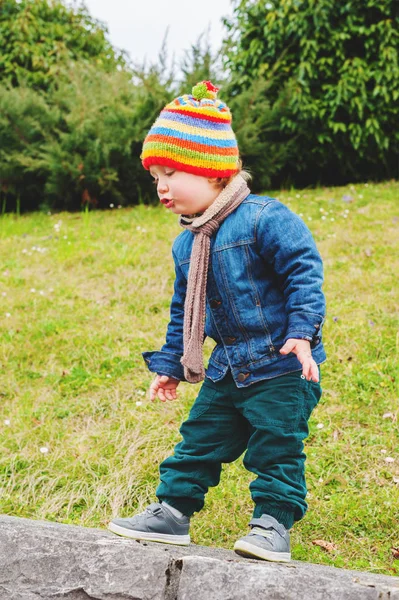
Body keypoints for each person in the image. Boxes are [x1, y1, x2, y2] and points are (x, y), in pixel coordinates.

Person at [108, 81, 326, 563]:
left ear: (212, 172)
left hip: (283, 368)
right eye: (155, 176)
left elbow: (304, 273)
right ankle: (172, 512)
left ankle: (272, 524)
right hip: (227, 370)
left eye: (172, 172)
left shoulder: (265, 218)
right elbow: (184, 308)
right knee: (198, 439)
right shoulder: (187, 243)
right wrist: (171, 362)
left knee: (276, 446)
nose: (161, 186)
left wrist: (302, 333)